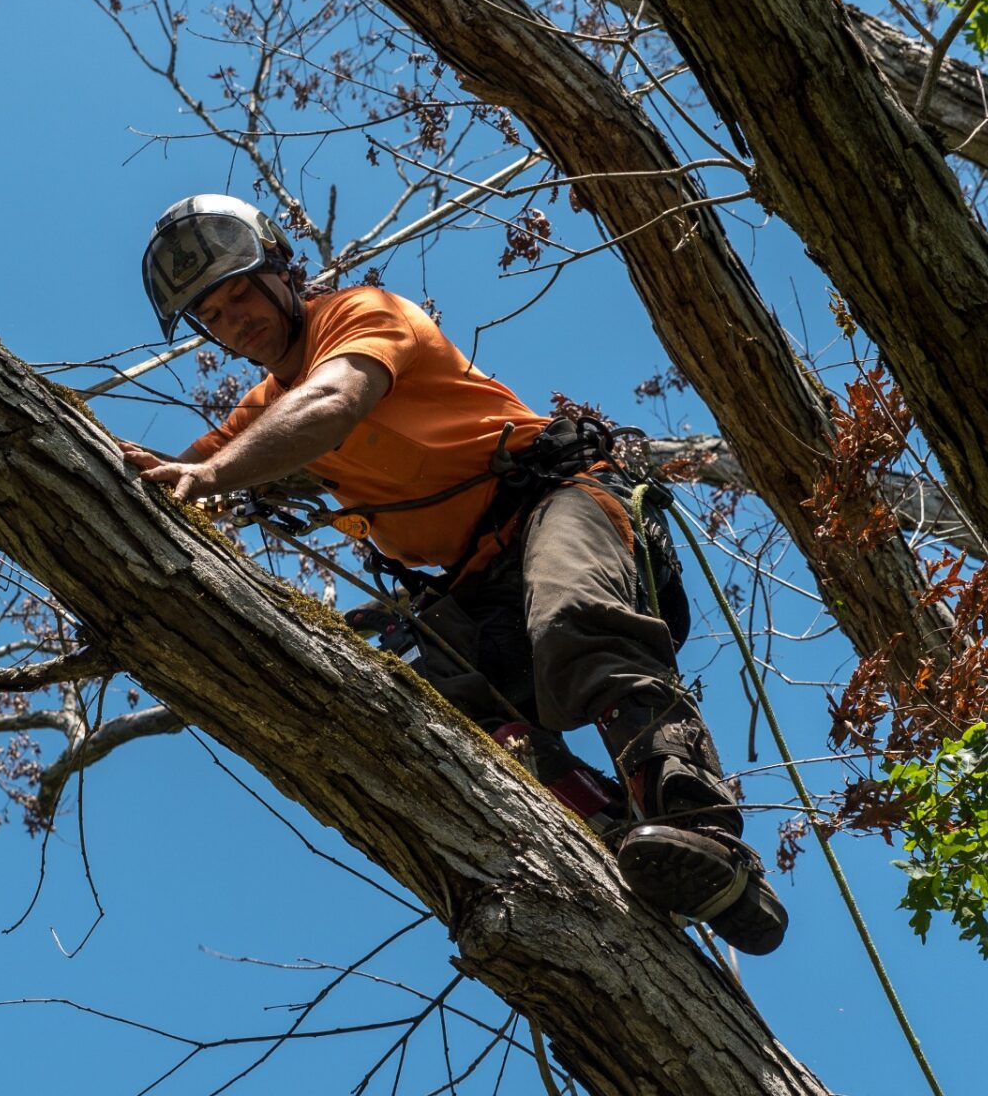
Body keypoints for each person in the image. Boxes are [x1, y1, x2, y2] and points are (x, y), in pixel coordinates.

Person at [122, 193, 788, 955]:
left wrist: (215, 477)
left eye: (241, 291)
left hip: (558, 503)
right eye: (213, 314)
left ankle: (700, 828)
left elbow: (334, 401)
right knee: (444, 714)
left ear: (282, 271)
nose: (234, 318)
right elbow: (182, 469)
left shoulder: (361, 314)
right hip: (474, 589)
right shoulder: (261, 409)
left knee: (572, 619)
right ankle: (621, 839)